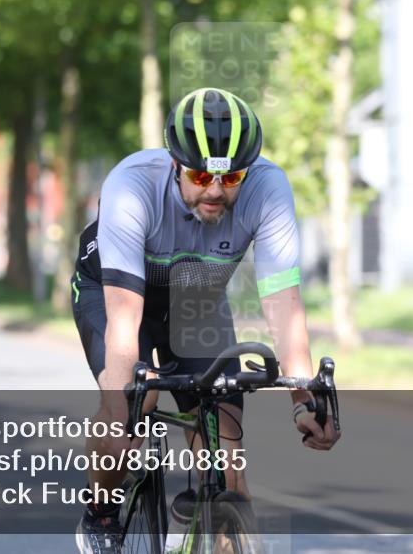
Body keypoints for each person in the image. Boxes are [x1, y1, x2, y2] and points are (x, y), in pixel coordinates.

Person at [72, 88, 340, 554]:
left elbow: (284, 302)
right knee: (135, 405)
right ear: (175, 163)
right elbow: (124, 318)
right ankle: (101, 511)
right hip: (116, 291)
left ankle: (221, 532)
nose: (216, 190)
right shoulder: (131, 185)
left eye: (231, 176)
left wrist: (305, 399)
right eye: (201, 175)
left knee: (224, 433)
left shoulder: (268, 189)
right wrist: (124, 409)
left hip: (193, 294)